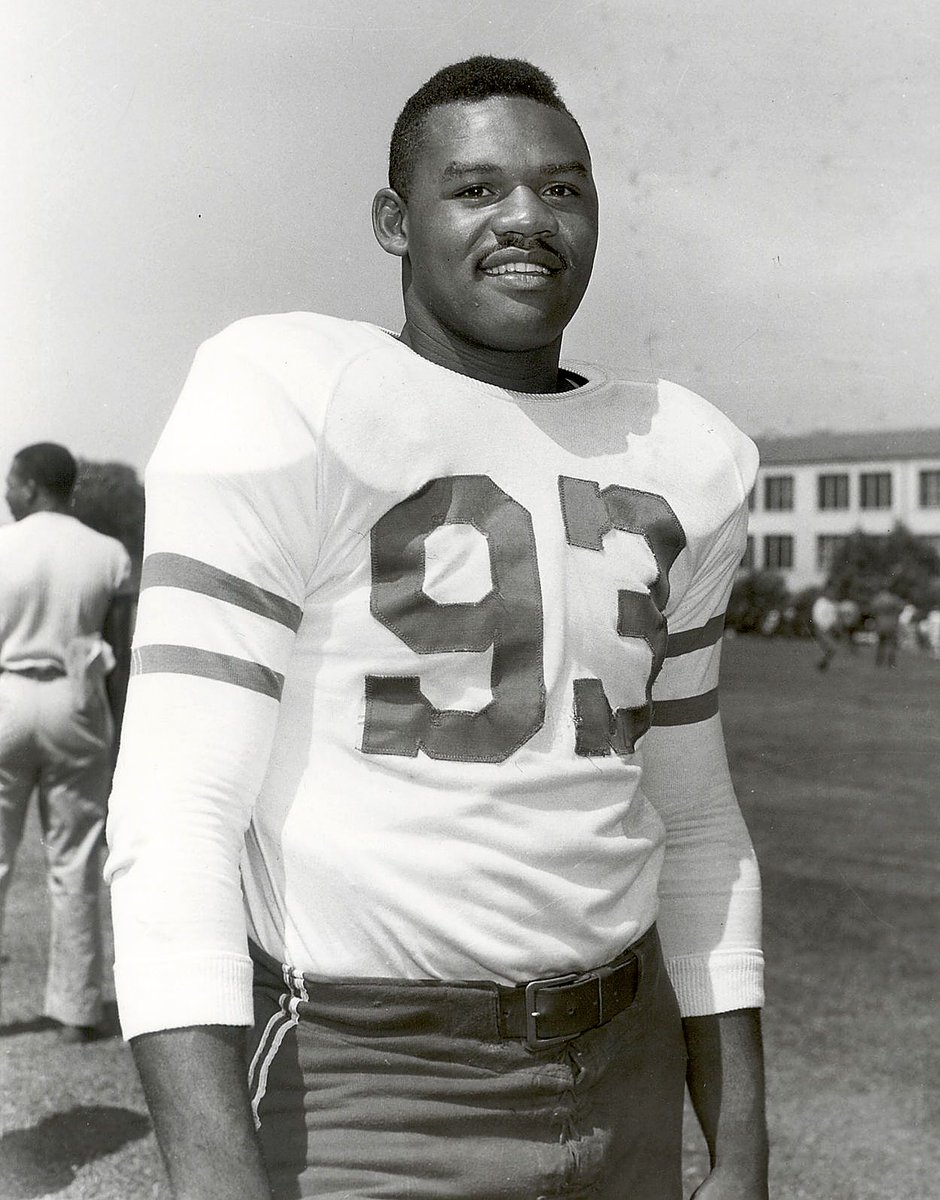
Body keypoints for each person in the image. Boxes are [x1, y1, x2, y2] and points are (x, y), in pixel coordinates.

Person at [106, 57, 768, 1199]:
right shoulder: (288, 390)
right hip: (372, 1077)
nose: (527, 218)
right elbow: (177, 811)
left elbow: (696, 817)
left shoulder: (688, 452)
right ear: (394, 222)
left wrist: (743, 1145)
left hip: (628, 1062)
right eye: (476, 189)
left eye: (563, 189)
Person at [0, 443, 131, 1042]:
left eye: (10, 482)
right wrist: (122, 732)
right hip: (76, 698)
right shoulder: (108, 552)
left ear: (29, 486)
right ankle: (77, 1011)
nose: (6, 492)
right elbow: (119, 653)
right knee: (74, 860)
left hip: (8, 694)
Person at [871, 587, 902, 668]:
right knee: (891, 643)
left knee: (881, 643)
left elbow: (873, 609)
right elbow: (900, 609)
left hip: (881, 622)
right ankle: (891, 663)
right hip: (891, 622)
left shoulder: (878, 599)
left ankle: (879, 662)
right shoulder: (893, 598)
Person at [810, 593, 838, 671]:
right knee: (831, 648)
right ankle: (821, 665)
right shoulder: (821, 603)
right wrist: (821, 626)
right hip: (822, 629)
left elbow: (833, 616)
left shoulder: (831, 603)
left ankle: (822, 665)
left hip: (828, 630)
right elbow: (817, 615)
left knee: (831, 649)